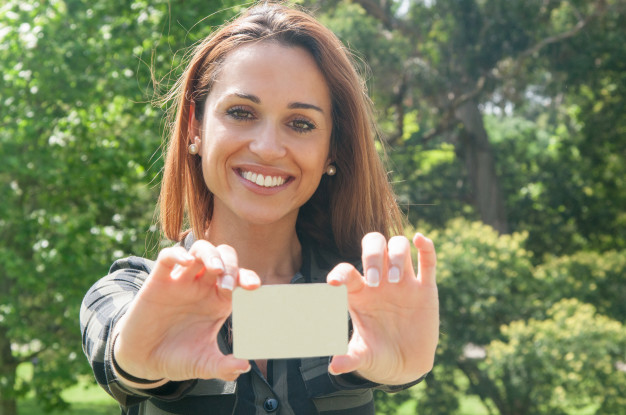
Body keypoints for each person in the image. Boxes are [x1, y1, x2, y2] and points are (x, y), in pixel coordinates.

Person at [80, 2, 439, 414]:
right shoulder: (128, 292)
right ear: (195, 127)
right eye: (241, 113)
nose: (268, 148)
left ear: (331, 150)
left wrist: (400, 368)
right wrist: (137, 360)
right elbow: (117, 342)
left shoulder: (362, 299)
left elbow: (381, 353)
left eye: (300, 123)